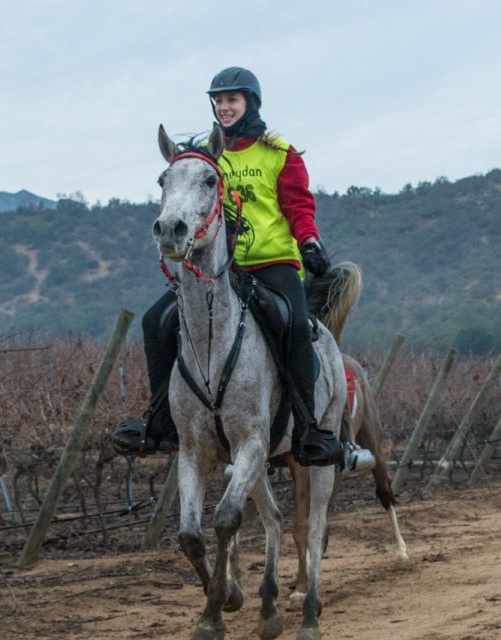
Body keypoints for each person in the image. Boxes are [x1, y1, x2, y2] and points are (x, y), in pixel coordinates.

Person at [113, 66, 339, 466]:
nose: (224, 107)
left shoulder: (278, 152)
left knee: (294, 326)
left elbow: (299, 206)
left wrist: (308, 242)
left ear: (250, 102)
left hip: (271, 262)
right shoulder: (203, 155)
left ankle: (308, 429)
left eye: (232, 100)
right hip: (218, 268)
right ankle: (161, 422)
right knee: (155, 321)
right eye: (218, 101)